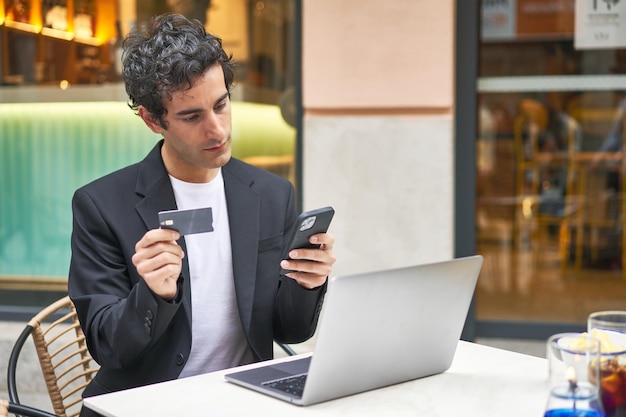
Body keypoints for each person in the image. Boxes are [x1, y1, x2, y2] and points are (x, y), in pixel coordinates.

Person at [68, 13, 335, 416]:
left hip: (242, 401)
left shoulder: (271, 194)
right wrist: (153, 294)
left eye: (221, 105)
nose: (217, 130)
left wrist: (308, 283)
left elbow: (290, 329)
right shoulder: (101, 206)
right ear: (153, 120)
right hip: (148, 403)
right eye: (192, 117)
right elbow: (109, 348)